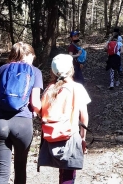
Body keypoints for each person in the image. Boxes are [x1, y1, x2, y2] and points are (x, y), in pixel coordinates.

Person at [0, 42, 43, 184]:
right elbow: (35, 103)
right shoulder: (35, 71)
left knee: (1, 175)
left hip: (0, 124)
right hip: (23, 125)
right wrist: (38, 113)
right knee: (20, 170)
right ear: (29, 55)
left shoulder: (3, 69)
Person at [38, 54, 90, 184]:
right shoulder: (77, 87)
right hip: (70, 135)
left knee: (62, 171)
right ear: (71, 69)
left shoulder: (49, 89)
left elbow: (41, 112)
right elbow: (84, 115)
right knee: (68, 174)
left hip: (51, 135)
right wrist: (83, 138)